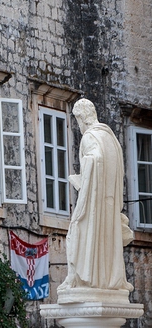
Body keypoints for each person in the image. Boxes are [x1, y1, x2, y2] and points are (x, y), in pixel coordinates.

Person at [58, 98, 133, 294]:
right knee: (107, 241)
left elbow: (95, 158)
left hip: (93, 200)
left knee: (76, 232)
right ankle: (106, 279)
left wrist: (83, 180)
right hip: (109, 202)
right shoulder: (111, 138)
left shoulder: (90, 136)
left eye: (77, 120)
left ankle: (81, 278)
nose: (79, 125)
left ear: (83, 117)